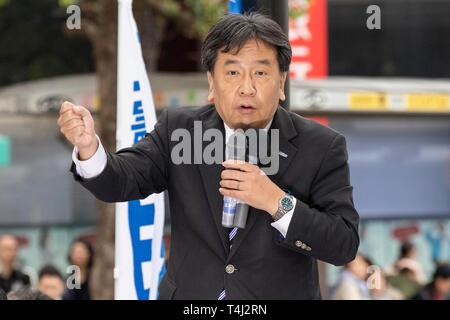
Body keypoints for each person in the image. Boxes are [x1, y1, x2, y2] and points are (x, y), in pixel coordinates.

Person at [57, 13, 359, 299]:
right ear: (212, 83)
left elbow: (342, 245)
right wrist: (89, 148)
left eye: (261, 73)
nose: (247, 88)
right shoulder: (180, 129)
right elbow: (122, 179)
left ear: (281, 83)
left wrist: (275, 201)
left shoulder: (320, 145)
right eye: (232, 72)